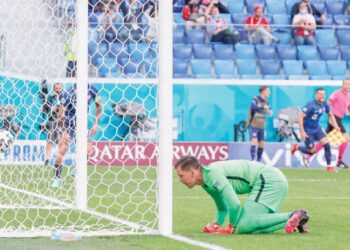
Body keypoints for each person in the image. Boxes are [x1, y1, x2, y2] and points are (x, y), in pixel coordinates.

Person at [175, 156, 310, 234]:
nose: (180, 180)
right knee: (252, 229)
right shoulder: (205, 182)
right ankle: (294, 220)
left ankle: (292, 215)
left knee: (242, 225)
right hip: (271, 180)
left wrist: (231, 227)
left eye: (181, 176)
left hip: (268, 179)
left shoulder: (212, 174)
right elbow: (222, 208)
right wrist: (216, 224)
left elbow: (234, 204)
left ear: (192, 172)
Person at [51, 85, 102, 188]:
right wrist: (64, 130)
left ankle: (77, 171)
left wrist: (96, 123)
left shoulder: (93, 90)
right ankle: (57, 178)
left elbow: (99, 105)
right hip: (68, 125)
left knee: (88, 149)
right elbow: (62, 112)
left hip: (82, 125)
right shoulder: (70, 91)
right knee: (63, 149)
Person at [291, 88, 340, 173]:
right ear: (316, 95)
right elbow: (300, 117)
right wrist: (302, 132)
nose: (322, 96)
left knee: (327, 144)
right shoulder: (310, 105)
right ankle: (297, 147)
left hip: (317, 128)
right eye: (320, 94)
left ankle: (329, 167)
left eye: (323, 94)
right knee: (312, 151)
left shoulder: (325, 104)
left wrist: (336, 125)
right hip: (307, 130)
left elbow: (331, 115)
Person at [305, 80, 350, 169]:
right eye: (345, 84)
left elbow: (347, 109)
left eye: (349, 84)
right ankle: (339, 161)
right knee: (346, 139)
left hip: (339, 119)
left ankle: (307, 157)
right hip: (334, 119)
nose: (347, 86)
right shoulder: (336, 93)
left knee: (324, 141)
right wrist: (330, 119)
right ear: (342, 84)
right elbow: (327, 105)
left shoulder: (348, 96)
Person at [247, 86, 273, 162]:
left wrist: (269, 111)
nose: (269, 92)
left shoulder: (267, 102)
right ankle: (253, 160)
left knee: (262, 143)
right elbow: (253, 106)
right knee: (254, 141)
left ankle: (258, 161)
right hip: (253, 125)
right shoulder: (255, 99)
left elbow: (270, 110)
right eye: (268, 90)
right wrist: (262, 107)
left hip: (262, 126)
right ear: (263, 91)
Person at [44, 82, 65, 166]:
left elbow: (66, 108)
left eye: (59, 88)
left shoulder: (65, 96)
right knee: (50, 140)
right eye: (56, 89)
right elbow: (48, 109)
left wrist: (60, 109)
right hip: (53, 120)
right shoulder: (50, 98)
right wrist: (55, 108)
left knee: (61, 140)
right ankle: (47, 158)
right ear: (53, 89)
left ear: (62, 88)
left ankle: (60, 157)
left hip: (62, 121)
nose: (58, 90)